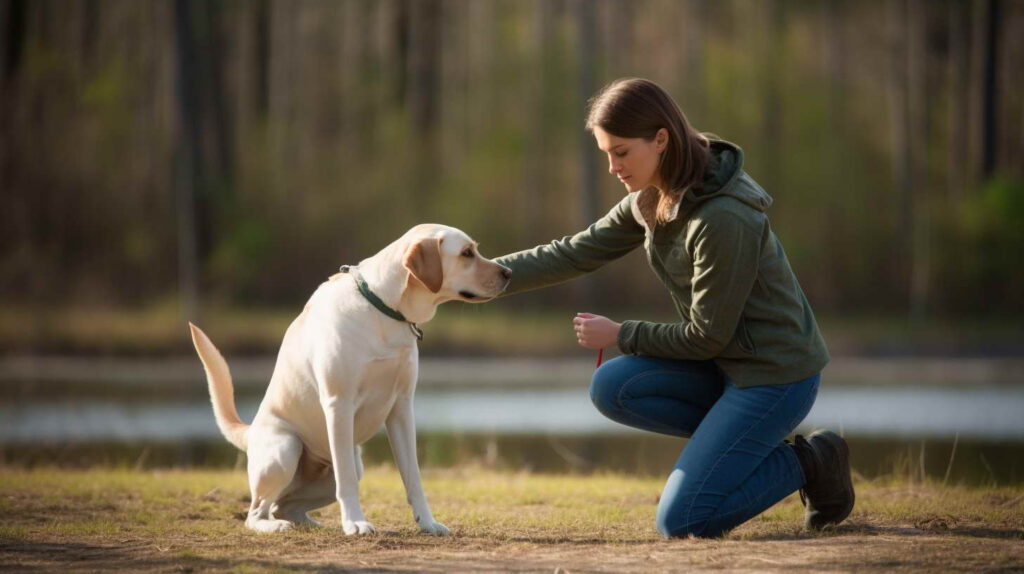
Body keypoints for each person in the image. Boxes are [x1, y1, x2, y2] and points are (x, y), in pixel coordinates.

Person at [494, 78, 854, 538]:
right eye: (606, 153)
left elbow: (706, 335)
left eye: (621, 152)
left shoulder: (723, 218)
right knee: (613, 386)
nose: (612, 167)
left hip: (774, 376)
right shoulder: (652, 199)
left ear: (660, 139)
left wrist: (620, 333)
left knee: (682, 522)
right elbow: (572, 252)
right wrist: (479, 279)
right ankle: (734, 446)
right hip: (723, 368)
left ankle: (810, 460)